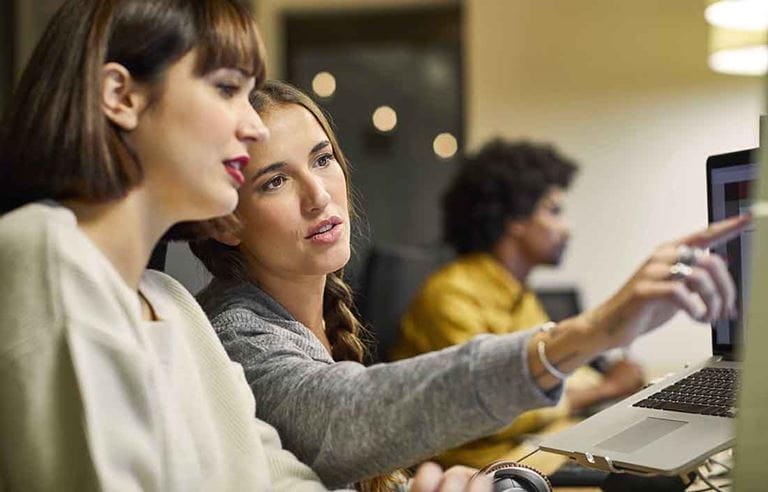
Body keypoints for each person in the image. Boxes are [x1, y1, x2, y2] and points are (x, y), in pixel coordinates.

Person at [0, 2, 476, 491]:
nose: (251, 127)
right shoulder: (45, 251)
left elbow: (280, 483)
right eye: (227, 89)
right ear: (121, 96)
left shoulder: (172, 303)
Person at [189, 80, 747, 489]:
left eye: (323, 158)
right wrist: (593, 332)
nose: (319, 195)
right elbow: (343, 419)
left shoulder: (314, 321)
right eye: (276, 180)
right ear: (225, 217)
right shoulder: (234, 332)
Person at [390, 139, 645, 468]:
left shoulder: (518, 295)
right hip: (479, 470)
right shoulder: (450, 295)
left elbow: (559, 371)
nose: (566, 228)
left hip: (533, 445)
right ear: (516, 220)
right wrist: (605, 388)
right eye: (553, 211)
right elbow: (490, 407)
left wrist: (617, 380)